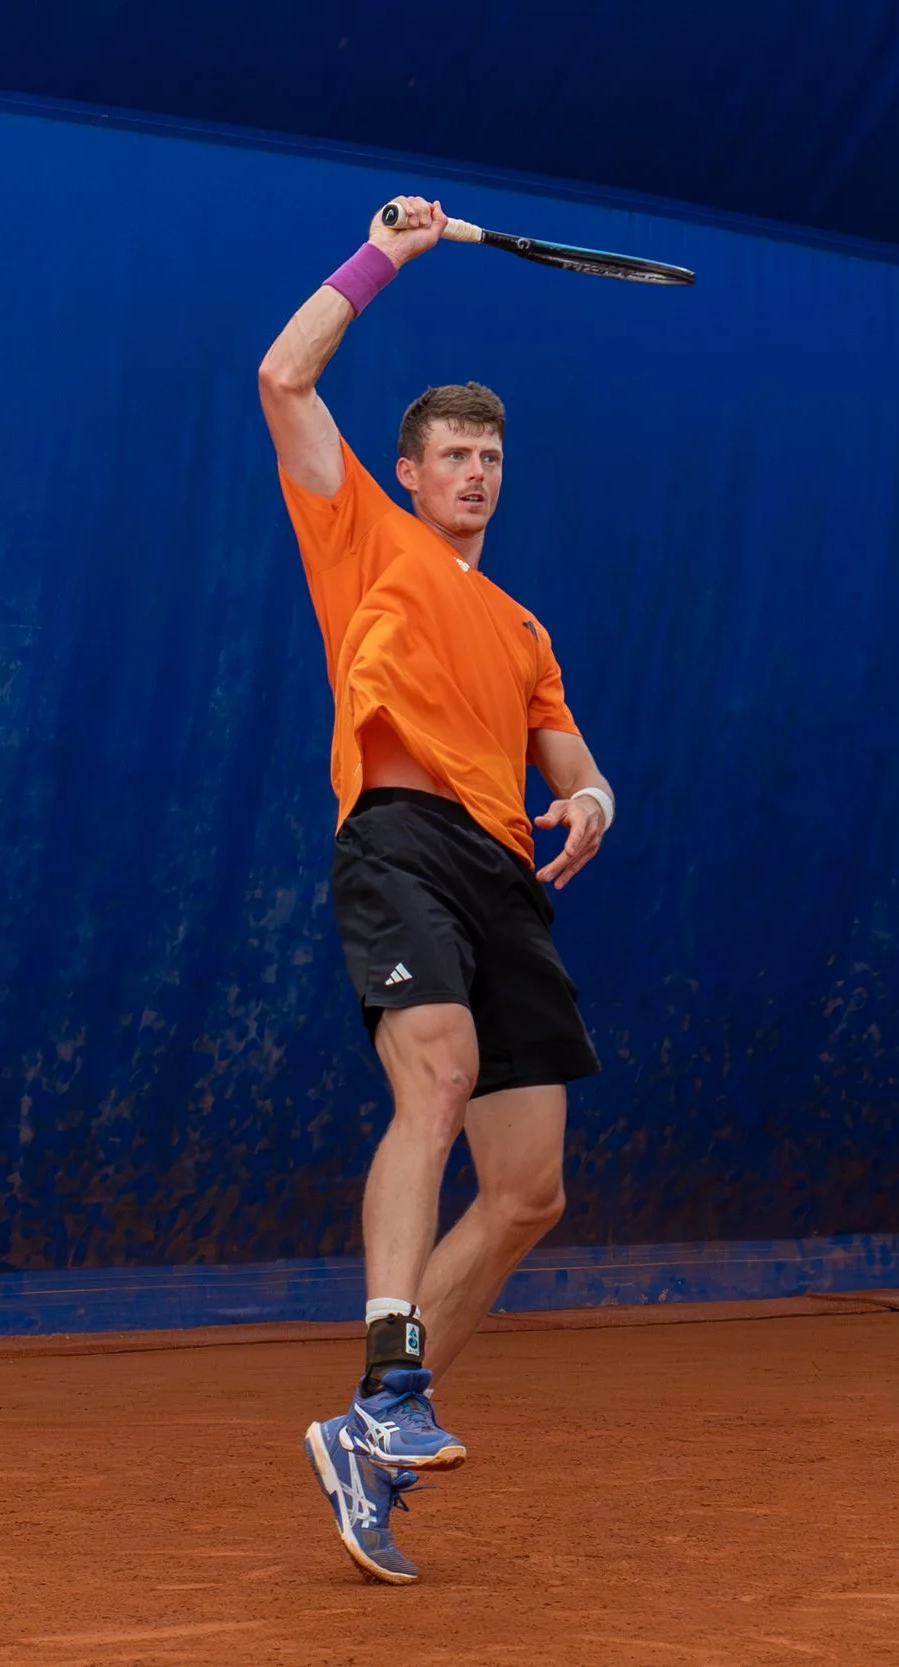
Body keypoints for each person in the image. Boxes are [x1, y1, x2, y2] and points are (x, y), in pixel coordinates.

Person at [256, 195, 615, 1584]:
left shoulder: (522, 626)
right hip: (399, 838)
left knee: (528, 1189)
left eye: (490, 457)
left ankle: (368, 1438)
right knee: (440, 1079)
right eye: (453, 454)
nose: (474, 472)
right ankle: (394, 1371)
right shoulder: (359, 532)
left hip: (503, 876)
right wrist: (384, 259)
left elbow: (570, 756)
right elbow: (284, 376)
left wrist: (592, 797)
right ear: (406, 471)